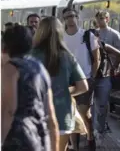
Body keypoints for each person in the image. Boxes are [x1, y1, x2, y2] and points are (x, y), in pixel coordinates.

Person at [30, 17, 90, 151]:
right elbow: (83, 87)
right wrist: (63, 90)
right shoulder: (68, 57)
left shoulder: (29, 56)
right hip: (63, 117)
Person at [1, 25, 60, 151]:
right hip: (40, 138)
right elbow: (50, 114)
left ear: (6, 45)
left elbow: (9, 110)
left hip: (19, 139)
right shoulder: (40, 68)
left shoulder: (11, 68)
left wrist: (1, 141)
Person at [62, 8, 99, 151]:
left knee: (84, 113)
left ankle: (90, 136)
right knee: (71, 113)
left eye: (72, 16)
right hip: (67, 80)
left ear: (77, 17)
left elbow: (97, 58)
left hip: (85, 78)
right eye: (66, 17)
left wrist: (93, 76)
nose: (70, 19)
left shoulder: (87, 35)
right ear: (64, 20)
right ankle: (75, 147)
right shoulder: (61, 37)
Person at [94, 11, 120, 138]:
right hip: (94, 73)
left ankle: (101, 127)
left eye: (102, 19)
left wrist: (116, 65)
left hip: (107, 72)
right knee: (93, 104)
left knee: (102, 102)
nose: (99, 21)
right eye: (98, 19)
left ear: (107, 19)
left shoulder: (114, 34)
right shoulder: (94, 34)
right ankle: (95, 128)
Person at [88, 27, 120, 142]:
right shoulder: (83, 47)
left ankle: (100, 129)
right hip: (88, 79)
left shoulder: (103, 45)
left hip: (103, 78)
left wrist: (116, 67)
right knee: (89, 106)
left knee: (101, 105)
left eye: (95, 38)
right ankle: (92, 131)